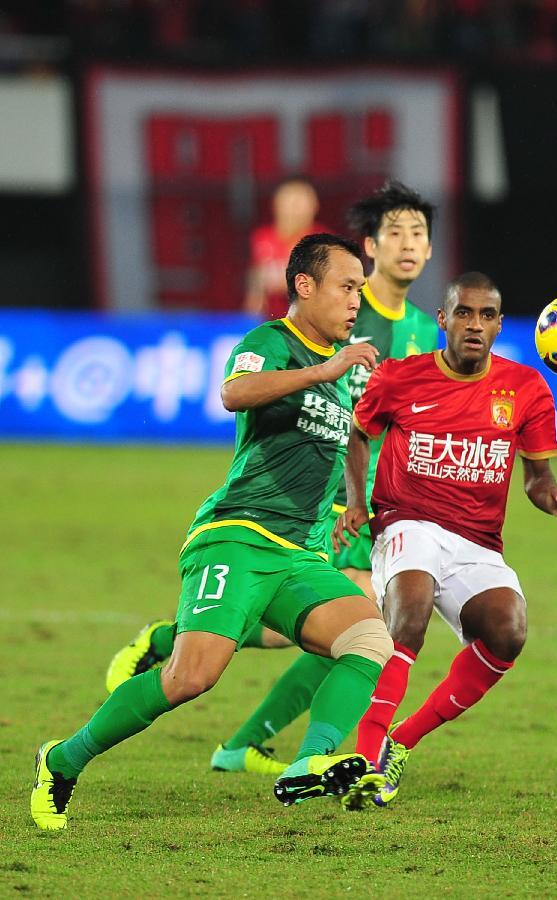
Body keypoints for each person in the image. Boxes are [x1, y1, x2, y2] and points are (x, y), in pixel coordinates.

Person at [30, 233, 395, 831]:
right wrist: (325, 369)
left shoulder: (346, 369)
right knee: (190, 677)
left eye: (361, 288)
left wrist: (355, 501)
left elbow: (354, 436)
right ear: (304, 286)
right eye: (346, 286)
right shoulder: (271, 342)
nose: (357, 300)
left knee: (370, 641)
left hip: (300, 555)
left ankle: (309, 761)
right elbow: (234, 393)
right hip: (238, 536)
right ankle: (63, 759)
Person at [104, 180, 440, 777]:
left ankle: (257, 740)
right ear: (371, 246)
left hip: (367, 503)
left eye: (420, 233)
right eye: (397, 233)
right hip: (316, 507)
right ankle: (256, 736)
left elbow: (392, 424)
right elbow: (248, 391)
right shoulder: (340, 331)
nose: (409, 244)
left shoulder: (419, 328)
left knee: (330, 634)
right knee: (352, 628)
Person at [332, 271, 557, 810]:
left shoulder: (526, 389)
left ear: (498, 324)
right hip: (407, 520)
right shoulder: (401, 378)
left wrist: (553, 499)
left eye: (487, 315)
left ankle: (401, 742)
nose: (475, 324)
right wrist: (356, 502)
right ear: (443, 320)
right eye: (464, 313)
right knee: (412, 609)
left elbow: (537, 480)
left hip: (477, 541)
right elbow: (359, 433)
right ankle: (367, 756)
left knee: (508, 631)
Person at [243, 176, 324, 318]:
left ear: (314, 206)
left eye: (300, 203)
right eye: (290, 202)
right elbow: (257, 274)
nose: (294, 210)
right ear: (276, 204)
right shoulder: (262, 237)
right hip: (270, 321)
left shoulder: (323, 242)